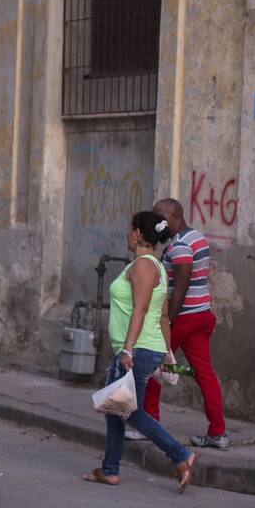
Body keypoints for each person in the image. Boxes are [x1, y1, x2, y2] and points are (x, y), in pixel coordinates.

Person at [83, 211, 197, 493]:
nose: (126, 234)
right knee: (115, 407)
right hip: (146, 348)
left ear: (136, 234)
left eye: (128, 229)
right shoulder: (153, 265)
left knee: (131, 412)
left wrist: (129, 349)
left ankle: (181, 456)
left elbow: (142, 310)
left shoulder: (144, 266)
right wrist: (167, 354)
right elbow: (162, 316)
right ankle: (109, 470)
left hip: (137, 349)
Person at [144, 198, 228, 449]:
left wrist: (168, 322)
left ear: (174, 217)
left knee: (150, 365)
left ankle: (150, 425)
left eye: (160, 219)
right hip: (201, 313)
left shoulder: (180, 246)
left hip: (184, 317)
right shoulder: (196, 237)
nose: (157, 223)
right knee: (204, 373)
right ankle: (217, 433)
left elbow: (180, 288)